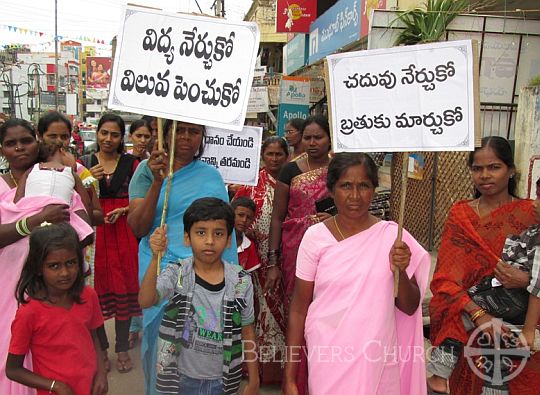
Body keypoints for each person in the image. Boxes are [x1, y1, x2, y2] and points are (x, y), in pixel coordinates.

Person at [283, 152, 431, 395]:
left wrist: (400, 271)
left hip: (377, 357)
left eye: (363, 186)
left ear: (374, 189)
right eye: (345, 186)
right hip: (327, 354)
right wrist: (289, 377)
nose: (354, 196)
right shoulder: (314, 237)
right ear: (331, 190)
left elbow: (410, 306)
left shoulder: (392, 237)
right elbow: (299, 308)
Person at [128, 119, 238, 395]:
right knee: (162, 354)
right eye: (181, 131)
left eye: (194, 131)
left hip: (204, 275)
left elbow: (224, 233)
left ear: (202, 137)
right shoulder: (145, 171)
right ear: (166, 134)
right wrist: (157, 181)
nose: (187, 137)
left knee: (199, 352)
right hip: (161, 267)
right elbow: (139, 227)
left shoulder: (211, 177)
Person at [429, 136, 539, 395]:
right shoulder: (461, 215)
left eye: (494, 167)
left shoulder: (530, 213)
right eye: (477, 168)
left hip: (521, 324)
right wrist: (480, 316)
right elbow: (444, 279)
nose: (485, 175)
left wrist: (523, 280)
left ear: (511, 171)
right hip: (470, 321)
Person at [0, 119, 94, 395]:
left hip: (53, 293)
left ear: (37, 140)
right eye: (10, 143)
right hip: (9, 287)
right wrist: (35, 220)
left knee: (53, 357)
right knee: (11, 350)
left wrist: (75, 181)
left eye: (26, 141)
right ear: (2, 150)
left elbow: (85, 228)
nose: (19, 148)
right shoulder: (2, 185)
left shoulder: (59, 179)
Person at [138, 197, 259, 395]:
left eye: (218, 233)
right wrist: (154, 257)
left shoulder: (240, 281)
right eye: (201, 232)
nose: (209, 241)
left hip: (225, 380)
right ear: (187, 237)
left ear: (229, 240)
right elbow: (146, 300)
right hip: (181, 379)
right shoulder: (177, 273)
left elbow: (247, 330)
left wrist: (254, 379)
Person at [6, 223, 107, 395]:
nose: (65, 273)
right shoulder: (29, 313)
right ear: (38, 267)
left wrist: (102, 373)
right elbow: (13, 369)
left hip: (90, 388)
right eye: (54, 266)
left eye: (71, 263)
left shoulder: (88, 296)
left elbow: (94, 336)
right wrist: (55, 386)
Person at [82, 113, 141, 373]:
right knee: (94, 292)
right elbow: (75, 201)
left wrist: (126, 209)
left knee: (125, 288)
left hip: (123, 234)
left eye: (114, 134)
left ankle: (122, 348)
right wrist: (86, 182)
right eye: (104, 133)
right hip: (95, 235)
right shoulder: (83, 163)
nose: (108, 139)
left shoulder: (133, 164)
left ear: (121, 137)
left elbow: (145, 197)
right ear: (97, 133)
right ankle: (102, 349)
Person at [233, 136, 289, 384]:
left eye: (279, 154)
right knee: (256, 313)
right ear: (262, 156)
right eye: (270, 154)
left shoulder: (291, 183)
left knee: (285, 313)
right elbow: (234, 219)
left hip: (284, 259)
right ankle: (257, 373)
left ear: (286, 156)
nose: (275, 159)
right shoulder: (250, 186)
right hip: (253, 262)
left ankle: (283, 371)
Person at [267, 115, 333, 300]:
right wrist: (273, 262)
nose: (312, 143)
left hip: (330, 245)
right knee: (297, 303)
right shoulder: (290, 170)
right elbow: (277, 218)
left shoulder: (339, 169)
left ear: (329, 140)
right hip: (295, 248)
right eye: (307, 138)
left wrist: (334, 219)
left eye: (318, 137)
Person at [232, 197, 260, 272]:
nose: (244, 220)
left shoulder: (249, 246)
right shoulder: (218, 239)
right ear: (231, 214)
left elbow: (249, 277)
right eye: (240, 215)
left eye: (249, 218)